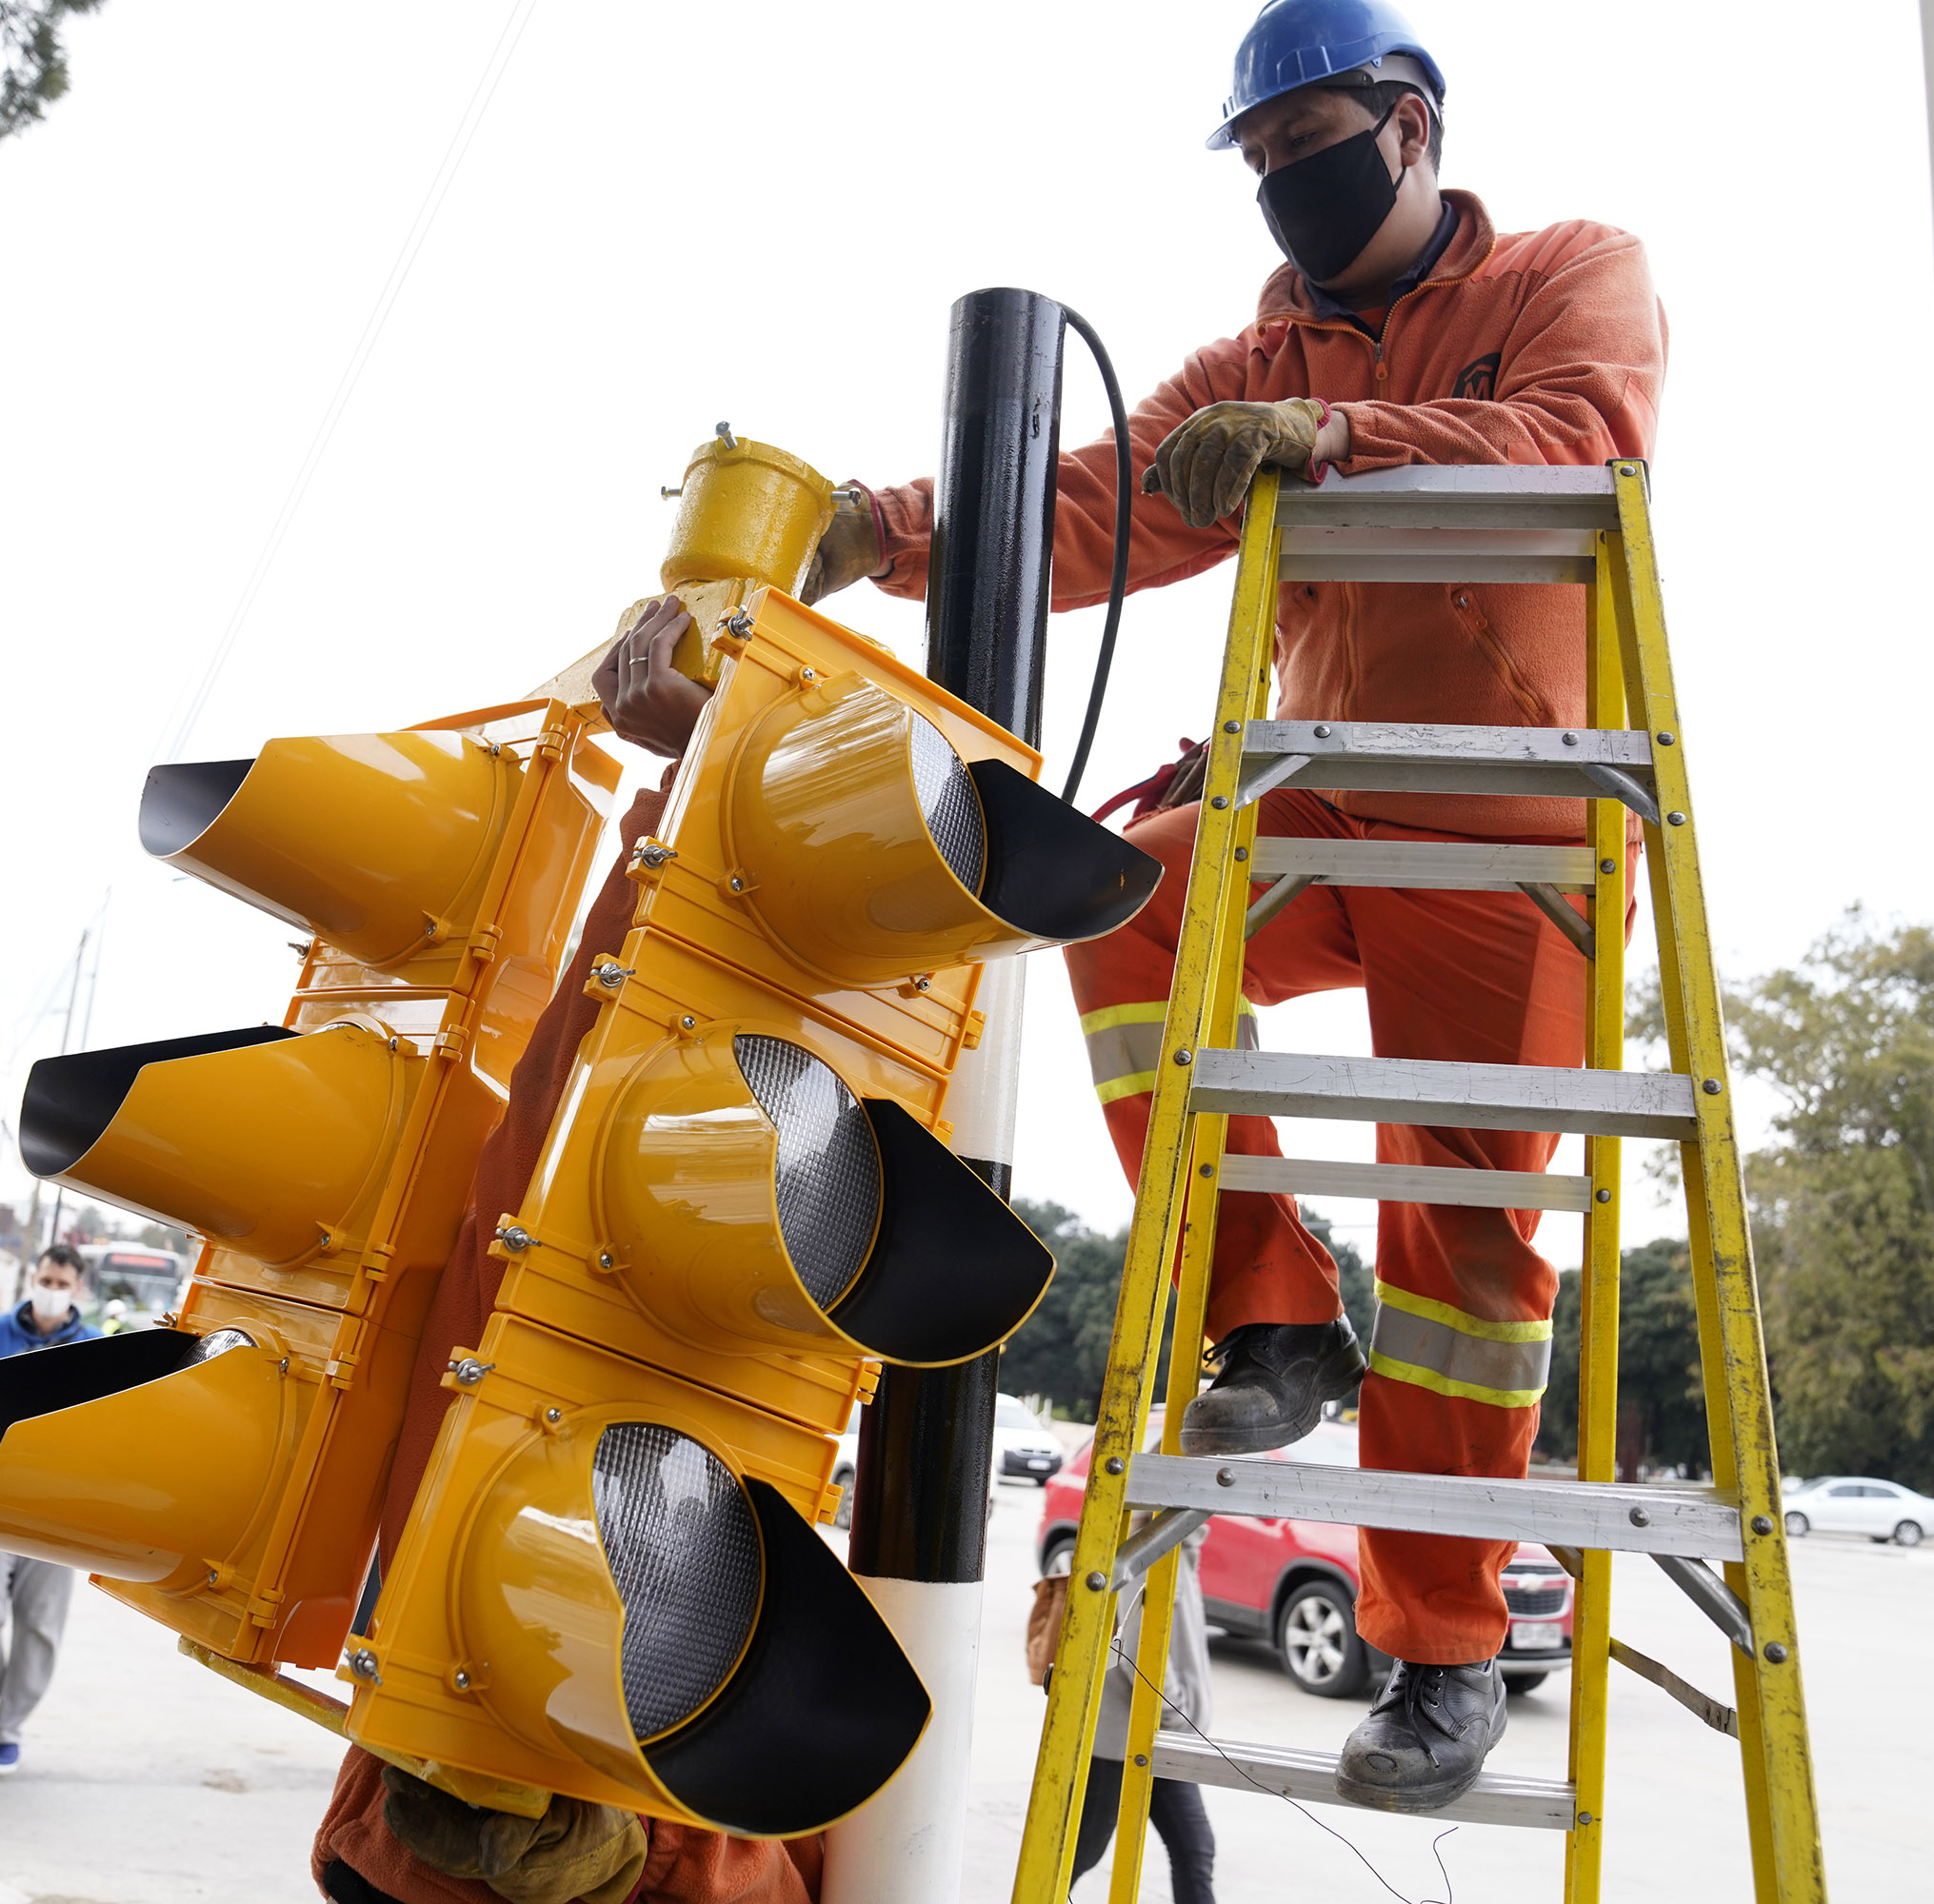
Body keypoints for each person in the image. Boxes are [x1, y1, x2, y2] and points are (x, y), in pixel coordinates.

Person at [593, 0, 1662, 1812]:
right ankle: (1274, 1313)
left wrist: (1326, 447)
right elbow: (1098, 498)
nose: (1279, 185)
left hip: (1516, 825)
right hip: (1320, 787)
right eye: (1253, 162)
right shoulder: (1266, 351)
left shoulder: (1573, 271)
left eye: (1303, 140)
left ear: (1409, 127)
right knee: (1108, 904)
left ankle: (1441, 1646)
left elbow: (1580, 435)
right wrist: (874, 528)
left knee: (1469, 1263)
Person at [0, 1242, 100, 1776]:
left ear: (78, 1289)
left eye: (61, 1284)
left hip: (55, 1512)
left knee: (39, 1623)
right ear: (32, 1280)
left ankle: (9, 1730)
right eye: (45, 1281)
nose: (51, 1292)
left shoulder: (95, 1350)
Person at [1074, 1530, 1216, 1903]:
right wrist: (1176, 1714)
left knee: (1194, 1848)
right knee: (1081, 1851)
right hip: (1125, 1740)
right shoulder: (1151, 1545)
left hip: (1160, 1735)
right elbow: (1137, 1654)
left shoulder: (1177, 1543)